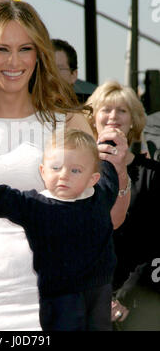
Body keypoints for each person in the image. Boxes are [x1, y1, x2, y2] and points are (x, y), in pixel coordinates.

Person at [0, 0, 130, 331]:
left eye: (25, 49)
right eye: (2, 49)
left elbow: (107, 220)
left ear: (39, 54)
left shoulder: (70, 123)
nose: (14, 61)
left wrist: (119, 175)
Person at [0, 128, 131, 331]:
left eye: (75, 170)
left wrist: (111, 140)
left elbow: (109, 168)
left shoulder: (102, 196)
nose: (64, 175)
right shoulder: (36, 206)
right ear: (43, 171)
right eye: (56, 167)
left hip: (99, 293)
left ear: (92, 179)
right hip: (59, 298)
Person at [85, 80, 160, 330]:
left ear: (133, 120)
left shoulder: (153, 175)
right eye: (106, 109)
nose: (113, 116)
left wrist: (122, 299)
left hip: (138, 305)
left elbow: (155, 244)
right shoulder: (73, 173)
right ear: (93, 117)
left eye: (122, 110)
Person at [51, 39, 96, 103]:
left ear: (73, 75)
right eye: (46, 68)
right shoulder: (33, 112)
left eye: (59, 69)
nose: (51, 74)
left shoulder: (88, 111)